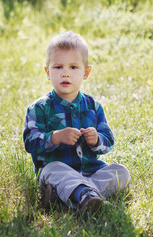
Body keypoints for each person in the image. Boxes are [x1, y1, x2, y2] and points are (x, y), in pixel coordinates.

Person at [23, 31, 130, 213]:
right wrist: (55, 137)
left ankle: (77, 194)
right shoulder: (39, 108)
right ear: (48, 72)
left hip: (90, 170)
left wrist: (96, 140)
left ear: (86, 72)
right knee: (54, 169)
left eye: (73, 67)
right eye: (58, 67)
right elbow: (30, 143)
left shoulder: (93, 106)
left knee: (121, 173)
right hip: (56, 171)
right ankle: (82, 194)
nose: (65, 73)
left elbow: (108, 141)